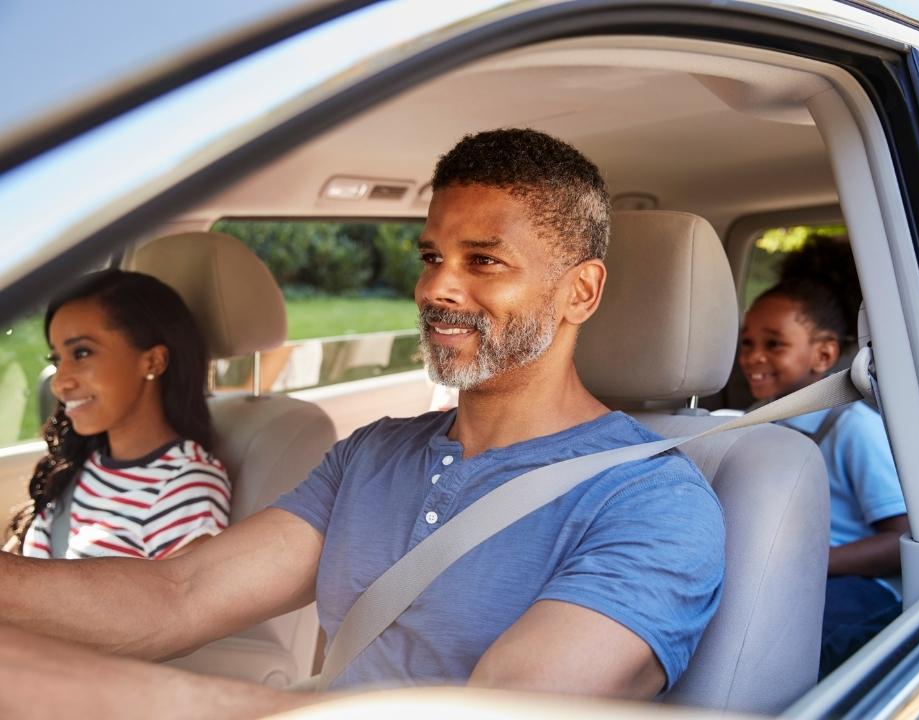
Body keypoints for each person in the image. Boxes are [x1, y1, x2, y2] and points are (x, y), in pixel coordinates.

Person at [0, 128, 725, 718]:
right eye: (433, 256)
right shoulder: (372, 454)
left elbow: (499, 712)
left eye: (485, 261)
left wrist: (82, 691)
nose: (438, 286)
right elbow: (177, 595)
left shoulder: (653, 502)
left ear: (580, 292)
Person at [738, 273, 908, 678]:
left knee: (775, 659)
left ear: (824, 355)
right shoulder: (752, 423)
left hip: (857, 586)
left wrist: (812, 563)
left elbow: (900, 538)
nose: (753, 357)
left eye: (773, 344)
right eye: (747, 343)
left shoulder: (852, 428)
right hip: (779, 577)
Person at [2, 270, 230, 560]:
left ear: (153, 361)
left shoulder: (185, 488)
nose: (60, 383)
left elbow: (178, 603)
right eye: (57, 359)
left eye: (82, 353)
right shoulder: (81, 463)